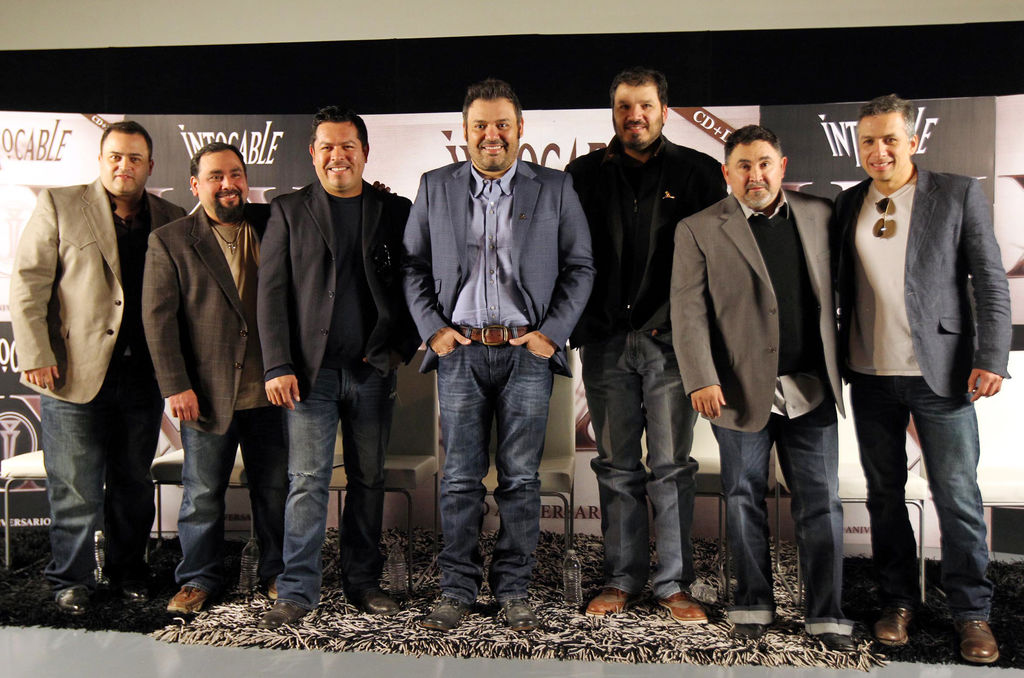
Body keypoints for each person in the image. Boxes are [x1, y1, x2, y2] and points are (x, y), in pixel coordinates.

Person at [403, 79, 594, 632]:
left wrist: (551, 335)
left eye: (502, 124)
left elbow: (580, 267)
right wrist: (433, 330)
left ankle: (514, 590)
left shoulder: (554, 187)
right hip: (460, 352)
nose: (492, 135)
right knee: (460, 478)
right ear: (464, 132)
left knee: (520, 479)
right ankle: (456, 589)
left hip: (527, 354)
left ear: (520, 129)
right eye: (481, 125)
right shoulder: (434, 186)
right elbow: (413, 266)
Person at [834, 94, 1011, 664]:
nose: (878, 151)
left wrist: (992, 356)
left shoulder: (957, 193)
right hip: (869, 374)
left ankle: (972, 612)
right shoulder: (848, 203)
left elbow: (990, 280)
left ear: (913, 141)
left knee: (956, 496)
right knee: (884, 496)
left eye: (890, 139)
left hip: (942, 373)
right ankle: (898, 602)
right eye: (867, 141)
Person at [671, 125, 855, 650]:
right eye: (744, 166)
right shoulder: (697, 228)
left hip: (811, 388)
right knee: (742, 498)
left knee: (820, 503)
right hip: (736, 391)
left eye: (765, 163)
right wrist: (701, 376)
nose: (756, 175)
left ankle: (826, 614)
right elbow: (688, 309)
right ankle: (751, 602)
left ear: (783, 166)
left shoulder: (820, 214)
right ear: (727, 173)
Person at [565, 66, 725, 622]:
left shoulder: (699, 172)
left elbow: (715, 265)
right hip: (606, 342)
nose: (635, 116)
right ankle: (621, 578)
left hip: (673, 343)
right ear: (613, 112)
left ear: (663, 110)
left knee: (672, 466)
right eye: (624, 106)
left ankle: (674, 584)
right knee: (616, 466)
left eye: (646, 106)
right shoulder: (581, 174)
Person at [10, 121, 185, 614]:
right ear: (102, 160)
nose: (124, 166)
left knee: (133, 483)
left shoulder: (171, 217)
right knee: (74, 487)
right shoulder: (60, 204)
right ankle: (72, 580)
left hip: (144, 376)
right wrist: (37, 353)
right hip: (71, 374)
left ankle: (129, 572)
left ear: (150, 166)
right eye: (115, 156)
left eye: (135, 158)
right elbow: (28, 284)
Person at [255, 106, 419, 629]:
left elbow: (417, 285)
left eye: (347, 145)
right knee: (307, 481)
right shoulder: (287, 211)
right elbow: (271, 294)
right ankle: (297, 590)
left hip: (373, 370)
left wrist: (402, 348)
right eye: (327, 146)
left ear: (364, 151)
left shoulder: (395, 210)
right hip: (309, 375)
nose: (337, 155)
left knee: (369, 478)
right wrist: (277, 364)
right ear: (312, 153)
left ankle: (363, 583)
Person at [142, 142, 288, 614]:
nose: (228, 184)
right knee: (202, 495)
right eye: (216, 176)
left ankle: (277, 573)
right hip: (204, 394)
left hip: (270, 390)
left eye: (236, 174)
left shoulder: (274, 222)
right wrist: (175, 385)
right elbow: (158, 320)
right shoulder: (170, 240)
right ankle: (198, 579)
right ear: (195, 185)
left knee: (274, 490)